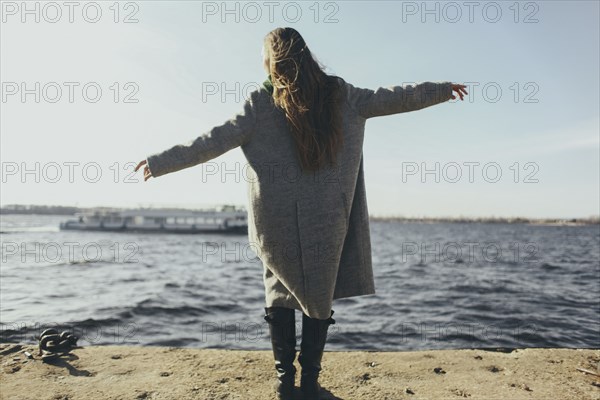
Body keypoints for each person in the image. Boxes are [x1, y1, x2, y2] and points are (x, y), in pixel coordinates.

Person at [135, 27, 467, 400]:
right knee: (318, 298)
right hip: (327, 220)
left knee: (278, 293)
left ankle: (283, 384)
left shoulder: (259, 104)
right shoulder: (341, 94)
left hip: (273, 222)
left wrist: (160, 162)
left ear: (271, 61)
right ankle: (309, 383)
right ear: (306, 56)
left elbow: (213, 140)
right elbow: (393, 98)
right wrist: (441, 89)